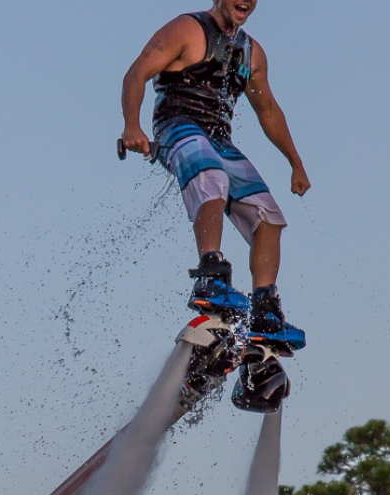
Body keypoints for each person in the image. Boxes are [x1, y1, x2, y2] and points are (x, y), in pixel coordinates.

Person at [121, 0, 307, 348]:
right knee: (213, 177)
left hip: (218, 139)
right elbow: (137, 73)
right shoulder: (186, 29)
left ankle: (265, 308)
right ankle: (210, 272)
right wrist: (132, 125)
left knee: (268, 215)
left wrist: (295, 162)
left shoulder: (252, 53)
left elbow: (267, 110)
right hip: (176, 126)